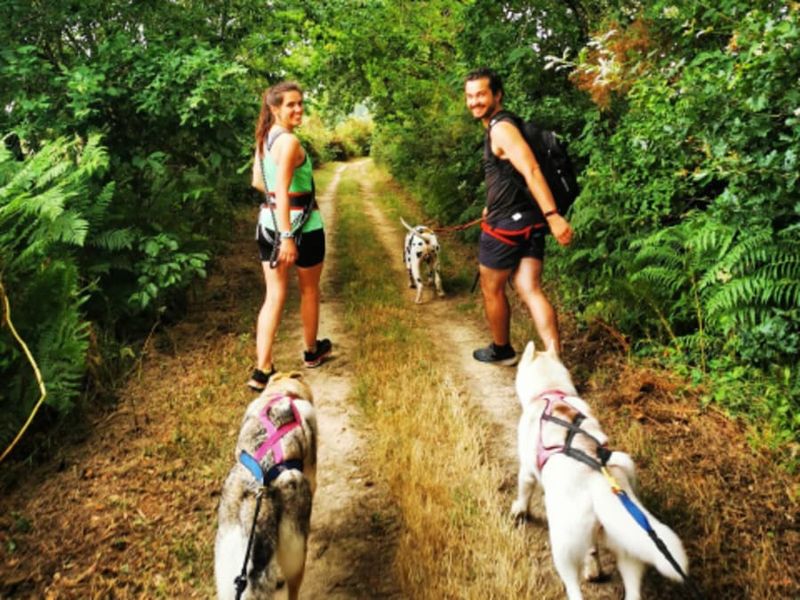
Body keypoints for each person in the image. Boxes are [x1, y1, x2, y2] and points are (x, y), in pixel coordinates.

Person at [464, 68, 573, 364]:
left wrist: (553, 215)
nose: (475, 101)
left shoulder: (501, 128)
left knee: (491, 287)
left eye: (481, 94)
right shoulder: (507, 124)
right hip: (528, 219)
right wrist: (492, 203)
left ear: (497, 95)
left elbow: (532, 169)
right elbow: (509, 176)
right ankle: (555, 361)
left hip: (506, 226)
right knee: (529, 288)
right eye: (470, 96)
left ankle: (501, 350)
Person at [247, 81, 332, 391]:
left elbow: (259, 182)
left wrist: (278, 227)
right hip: (301, 227)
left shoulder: (264, 139)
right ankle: (311, 351)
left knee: (274, 295)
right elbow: (281, 189)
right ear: (274, 108)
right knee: (309, 289)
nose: (298, 109)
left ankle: (262, 369)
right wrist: (287, 237)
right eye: (290, 105)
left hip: (267, 223)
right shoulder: (290, 143)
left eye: (300, 103)